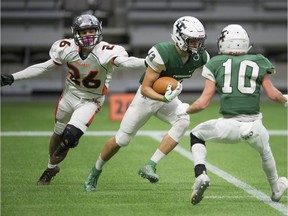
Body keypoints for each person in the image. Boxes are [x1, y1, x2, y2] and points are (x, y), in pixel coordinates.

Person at [1, 14, 146, 185]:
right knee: (57, 134)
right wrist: (13, 77)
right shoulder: (66, 47)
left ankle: (49, 170)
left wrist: (147, 62)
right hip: (69, 95)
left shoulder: (106, 51)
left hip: (91, 100)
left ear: (98, 31)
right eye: (84, 31)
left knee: (70, 137)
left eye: (92, 30)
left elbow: (126, 62)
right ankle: (52, 166)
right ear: (76, 33)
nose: (88, 35)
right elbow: (44, 67)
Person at [84, 16, 210, 192]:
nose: (196, 45)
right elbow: (145, 88)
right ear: (179, 38)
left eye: (199, 41)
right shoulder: (162, 52)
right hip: (148, 98)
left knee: (183, 120)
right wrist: (163, 98)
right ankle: (95, 171)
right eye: (192, 41)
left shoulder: (201, 57)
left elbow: (211, 75)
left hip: (168, 96)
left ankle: (150, 165)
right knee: (122, 139)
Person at [176, 24, 288, 205]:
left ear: (224, 43)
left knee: (196, 134)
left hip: (228, 125)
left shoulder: (215, 63)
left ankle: (201, 174)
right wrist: (285, 100)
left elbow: (203, 102)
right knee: (265, 151)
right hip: (254, 123)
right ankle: (275, 189)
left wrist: (185, 109)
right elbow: (273, 94)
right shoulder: (259, 60)